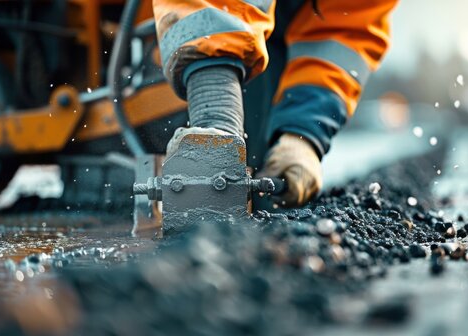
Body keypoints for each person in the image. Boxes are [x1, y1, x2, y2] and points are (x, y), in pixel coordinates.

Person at [153, 0, 398, 207]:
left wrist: (302, 135)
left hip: (268, 42)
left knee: (248, 182)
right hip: (164, 26)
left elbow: (342, 30)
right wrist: (214, 99)